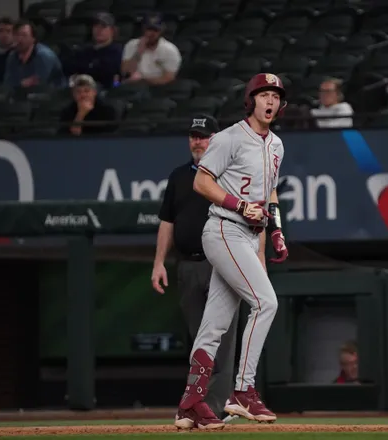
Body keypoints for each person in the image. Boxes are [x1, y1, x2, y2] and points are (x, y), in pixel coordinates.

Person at [174, 73, 289, 430]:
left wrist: (277, 229)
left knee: (215, 325)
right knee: (266, 302)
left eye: (275, 95)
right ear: (251, 100)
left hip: (249, 235)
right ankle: (242, 390)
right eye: (264, 94)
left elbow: (269, 193)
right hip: (224, 227)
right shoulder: (228, 137)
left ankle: (191, 403)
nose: (270, 101)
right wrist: (240, 206)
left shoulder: (277, 145)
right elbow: (201, 181)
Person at [152, 114, 239, 422]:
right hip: (188, 264)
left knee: (223, 340)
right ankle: (196, 404)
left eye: (203, 136)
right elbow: (167, 222)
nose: (197, 141)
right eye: (193, 135)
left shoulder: (228, 174)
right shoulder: (178, 177)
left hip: (221, 266)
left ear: (215, 139)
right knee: (198, 339)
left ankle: (212, 408)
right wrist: (159, 262)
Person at [121, 13, 181, 85]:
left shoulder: (170, 50)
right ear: (143, 29)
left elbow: (168, 78)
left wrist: (143, 80)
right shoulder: (132, 44)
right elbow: (125, 72)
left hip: (157, 88)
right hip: (133, 86)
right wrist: (139, 52)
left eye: (155, 30)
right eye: (149, 29)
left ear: (161, 31)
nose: (152, 34)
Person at [66, 12, 122, 89]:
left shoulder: (117, 51)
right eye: (96, 26)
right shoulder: (85, 50)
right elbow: (72, 69)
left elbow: (107, 74)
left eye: (103, 26)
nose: (98, 30)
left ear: (112, 30)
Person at [4, 19, 65, 88]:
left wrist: (19, 84)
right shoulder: (12, 56)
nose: (20, 39)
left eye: (24, 35)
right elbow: (8, 83)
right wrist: (21, 83)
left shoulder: (44, 55)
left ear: (33, 38)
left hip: (53, 94)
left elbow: (39, 84)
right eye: (17, 35)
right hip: (22, 95)